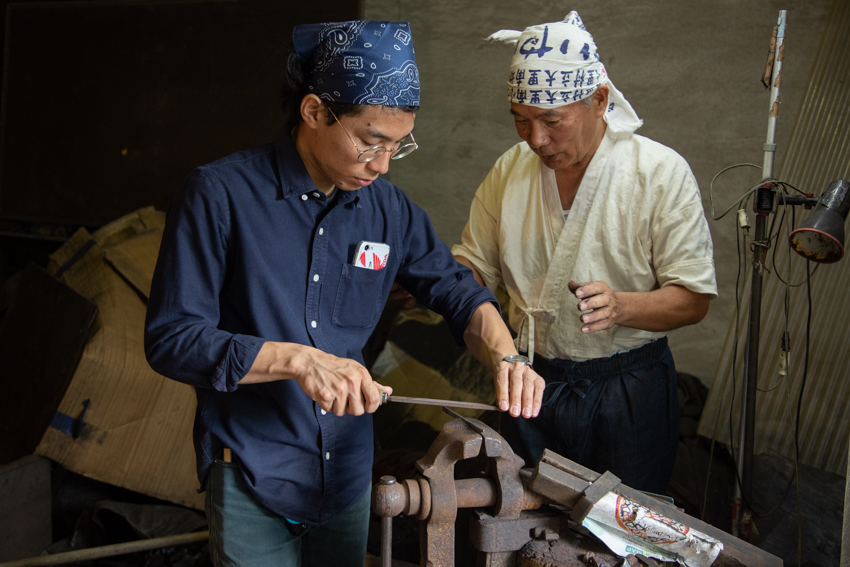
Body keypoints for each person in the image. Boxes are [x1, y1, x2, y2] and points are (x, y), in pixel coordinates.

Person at [144, 20, 544, 567]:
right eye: (370, 143)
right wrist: (298, 361)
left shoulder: (389, 210)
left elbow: (457, 293)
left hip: (350, 473)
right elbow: (172, 338)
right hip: (255, 468)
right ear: (313, 112)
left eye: (397, 148)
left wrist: (507, 357)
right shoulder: (220, 195)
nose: (380, 166)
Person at [452, 12, 718, 494]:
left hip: (628, 388)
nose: (536, 139)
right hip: (530, 376)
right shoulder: (510, 171)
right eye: (521, 120)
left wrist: (624, 306)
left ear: (599, 100)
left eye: (552, 121)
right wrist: (442, 281)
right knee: (516, 521)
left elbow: (693, 298)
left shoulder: (658, 172)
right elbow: (472, 268)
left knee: (618, 533)